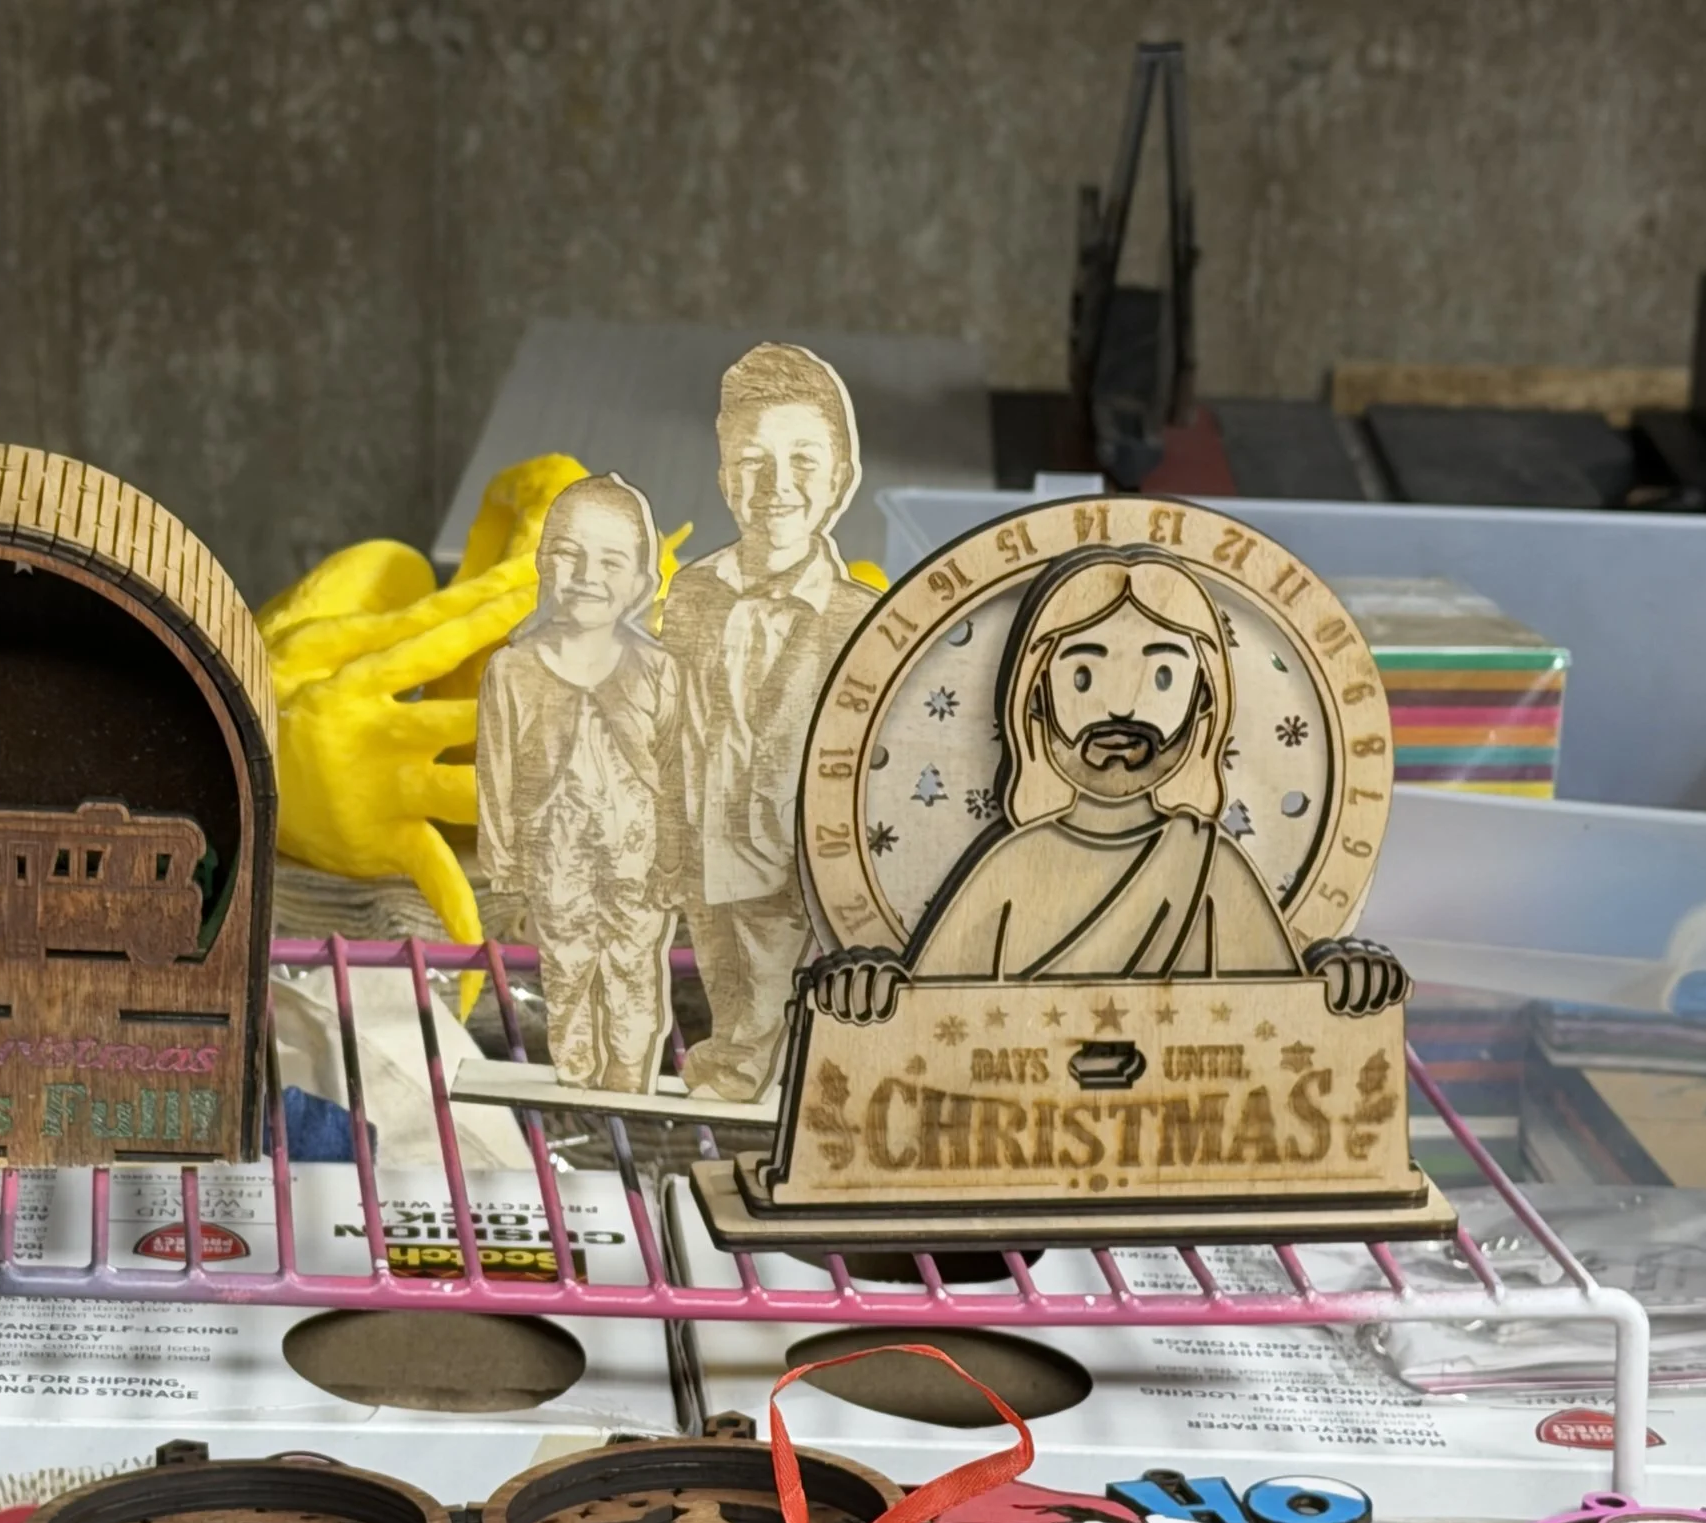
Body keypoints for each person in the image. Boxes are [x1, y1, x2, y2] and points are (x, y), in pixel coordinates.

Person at [890, 545, 1401, 1014]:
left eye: (1162, 677)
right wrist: (868, 988)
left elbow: (1280, 1013)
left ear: (1204, 701)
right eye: (1084, 677)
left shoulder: (1209, 865)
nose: (1121, 706)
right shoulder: (1009, 868)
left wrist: (1342, 985)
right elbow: (919, 1013)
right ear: (1037, 699)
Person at [670, 343, 878, 1101]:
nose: (776, 487)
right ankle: (738, 1065)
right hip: (705, 841)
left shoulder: (861, 619)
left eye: (803, 462)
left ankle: (762, 1074)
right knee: (726, 976)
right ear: (725, 476)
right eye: (753, 463)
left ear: (841, 479)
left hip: (795, 855)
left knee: (781, 995)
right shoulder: (691, 593)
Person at [476, 475, 685, 1094]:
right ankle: (574, 1075)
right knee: (566, 966)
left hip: (638, 857)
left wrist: (676, 856)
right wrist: (503, 858)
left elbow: (678, 769)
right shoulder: (511, 670)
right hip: (555, 852)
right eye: (569, 554)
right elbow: (496, 771)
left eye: (611, 561)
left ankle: (627, 1077)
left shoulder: (659, 668)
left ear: (640, 581)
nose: (588, 575)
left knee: (634, 966)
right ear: (544, 562)